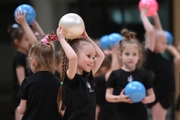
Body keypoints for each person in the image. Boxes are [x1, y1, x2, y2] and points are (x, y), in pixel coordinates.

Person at [140, 6, 180, 120]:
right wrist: (143, 14)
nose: (165, 44)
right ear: (154, 42)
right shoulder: (150, 54)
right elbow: (152, 33)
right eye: (163, 42)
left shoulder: (159, 54)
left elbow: (159, 33)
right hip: (159, 93)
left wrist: (155, 15)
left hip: (166, 92)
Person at [56, 27, 105, 120]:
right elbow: (73, 57)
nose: (92, 60)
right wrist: (62, 40)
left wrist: (87, 38)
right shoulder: (72, 77)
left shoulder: (87, 76)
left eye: (93, 57)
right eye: (88, 56)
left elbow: (101, 56)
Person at [105, 29, 155, 120]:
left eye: (134, 54)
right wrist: (120, 98)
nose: (130, 57)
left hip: (141, 115)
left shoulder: (143, 74)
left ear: (139, 56)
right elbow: (108, 96)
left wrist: (146, 99)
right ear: (120, 55)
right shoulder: (115, 74)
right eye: (127, 54)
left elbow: (152, 96)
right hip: (122, 115)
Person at [8, 10, 45, 120]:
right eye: (26, 39)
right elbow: (22, 81)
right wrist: (26, 97)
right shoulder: (19, 57)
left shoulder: (29, 54)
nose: (29, 41)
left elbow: (44, 40)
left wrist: (33, 22)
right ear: (16, 41)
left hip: (29, 94)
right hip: (22, 96)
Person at [16, 33, 60, 120]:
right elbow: (60, 108)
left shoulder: (28, 81)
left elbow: (22, 110)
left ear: (32, 61)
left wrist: (18, 109)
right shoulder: (58, 82)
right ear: (52, 60)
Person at [93, 45, 121, 120]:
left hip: (115, 113)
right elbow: (114, 73)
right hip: (106, 115)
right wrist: (115, 54)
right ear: (105, 69)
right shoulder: (98, 80)